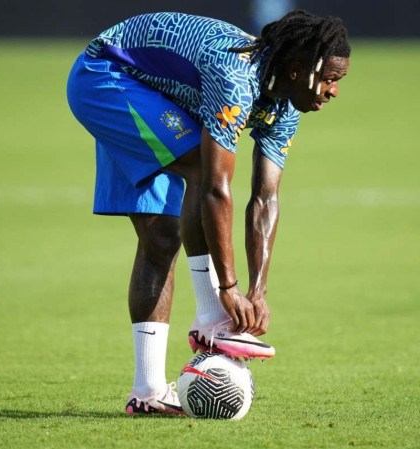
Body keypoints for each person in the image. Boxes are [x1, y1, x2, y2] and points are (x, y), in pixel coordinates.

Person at [67, 10, 350, 416]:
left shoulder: (285, 105)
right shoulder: (236, 76)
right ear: (296, 70)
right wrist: (228, 289)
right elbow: (215, 188)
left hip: (154, 94)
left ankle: (146, 393)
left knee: (161, 237)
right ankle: (210, 319)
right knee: (202, 168)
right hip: (107, 78)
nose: (333, 91)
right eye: (330, 79)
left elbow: (265, 199)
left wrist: (258, 290)